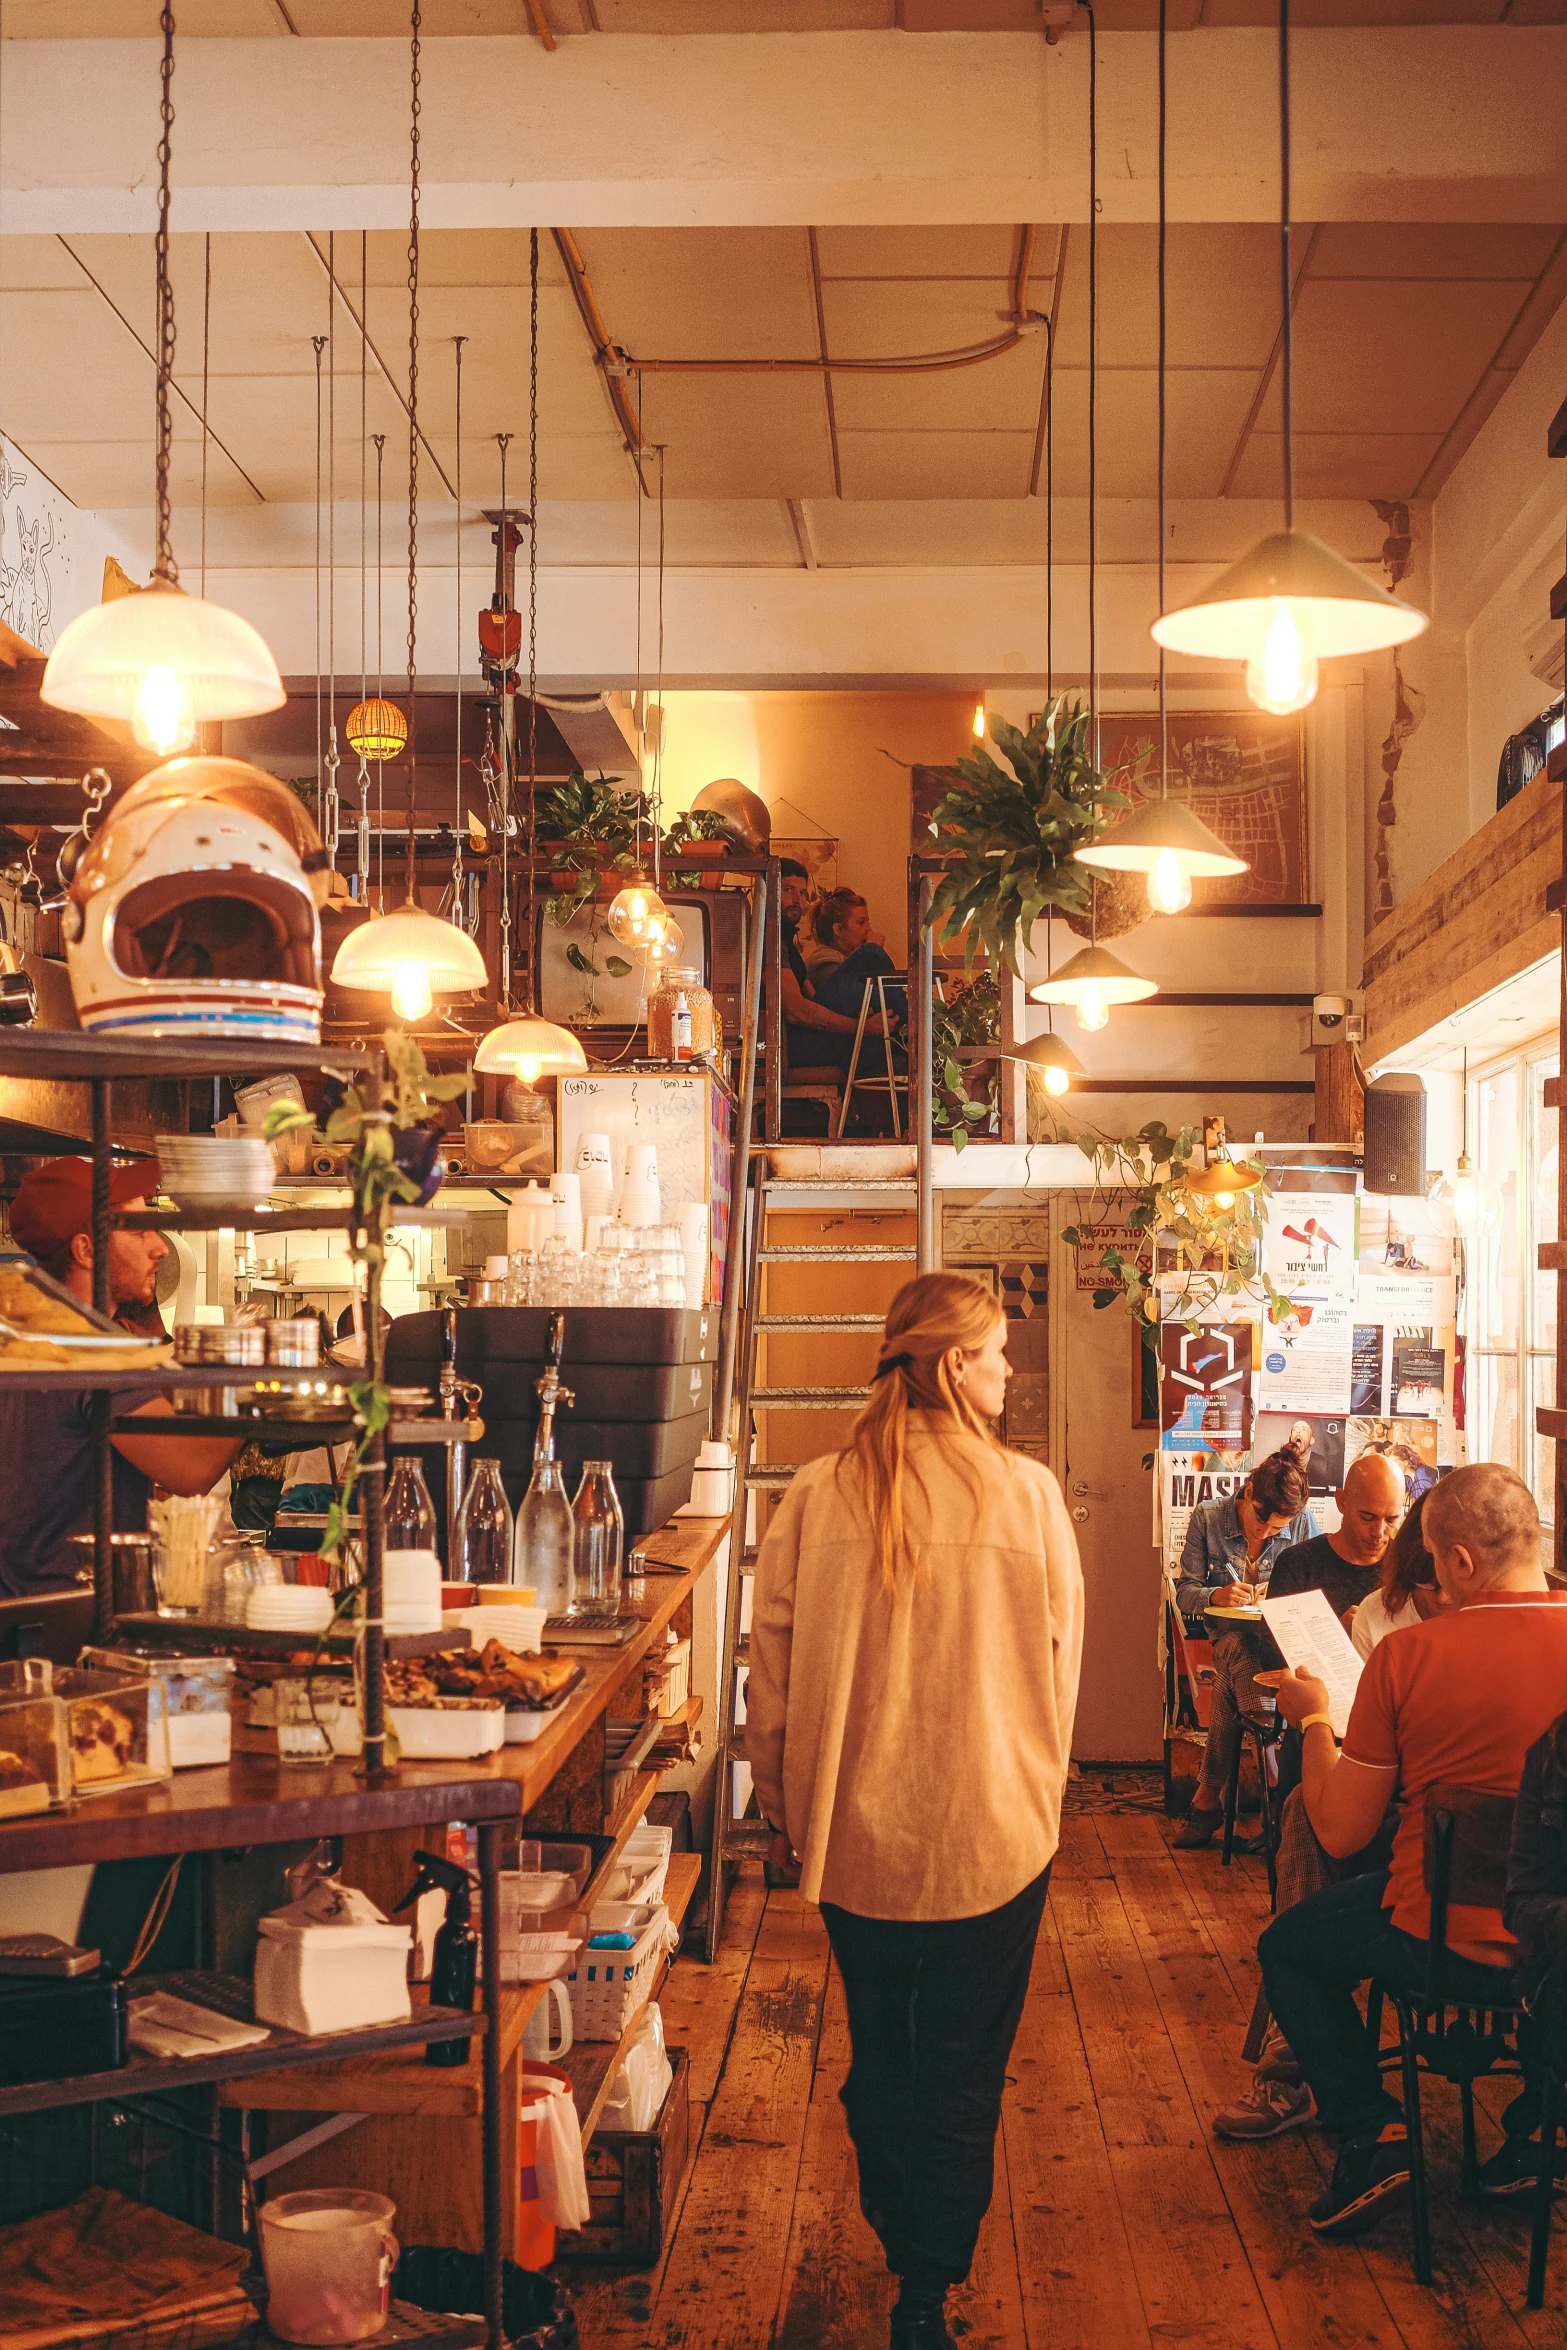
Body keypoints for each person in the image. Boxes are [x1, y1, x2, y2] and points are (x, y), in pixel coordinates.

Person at [746, 1272, 1082, 2350]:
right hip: (996, 1828)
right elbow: (1060, 1668)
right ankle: (924, 2290)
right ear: (951, 1365)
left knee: (883, 2054)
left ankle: (901, 2224)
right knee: (963, 2067)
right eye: (993, 1353)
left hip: (856, 1836)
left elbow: (773, 1673)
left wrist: (778, 1800)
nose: (1007, 1369)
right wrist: (1041, 1785)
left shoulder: (816, 1492)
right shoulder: (1025, 1495)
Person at [1256, 1463, 1567, 2239]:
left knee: (1289, 1950)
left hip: (1441, 1939)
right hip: (1556, 1945)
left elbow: (1340, 1832)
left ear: (1459, 1562)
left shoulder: (1408, 1657)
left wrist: (1314, 1719)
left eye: (1429, 1557)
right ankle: (1539, 2128)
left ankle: (1375, 2134)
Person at [0, 1157, 240, 1596]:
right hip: (72, 1616)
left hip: (20, 1612)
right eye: (138, 1229)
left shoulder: (23, 1333)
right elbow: (192, 1471)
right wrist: (259, 1380)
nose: (160, 1247)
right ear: (86, 1250)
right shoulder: (91, 1352)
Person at [1172, 1445, 1318, 1850]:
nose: (1263, 1532)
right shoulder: (1209, 1517)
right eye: (1259, 1518)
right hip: (1227, 1637)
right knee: (1236, 1647)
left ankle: (1207, 1802)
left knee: (1228, 1689)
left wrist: (1285, 1591)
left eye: (1277, 1529)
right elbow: (1184, 1592)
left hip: (1282, 1646)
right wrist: (1216, 1595)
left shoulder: (1304, 1521)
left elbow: (1319, 1591)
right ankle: (1276, 1794)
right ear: (1248, 1488)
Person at [774, 859, 864, 1073]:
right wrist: (864, 1028)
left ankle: (906, 1031)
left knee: (889, 1049)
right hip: (790, 1045)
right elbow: (795, 1010)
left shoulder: (787, 942)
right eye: (788, 890)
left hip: (804, 1038)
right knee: (871, 953)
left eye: (803, 893)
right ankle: (912, 1029)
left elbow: (810, 995)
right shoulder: (770, 940)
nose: (798, 900)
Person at [1352, 1490, 1449, 1656]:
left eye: (1451, 1582)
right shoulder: (1374, 1613)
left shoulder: (1494, 1623)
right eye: (1425, 1580)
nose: (1442, 1597)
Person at [812, 889, 909, 1029]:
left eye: (868, 922)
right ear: (839, 930)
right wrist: (873, 948)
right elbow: (852, 1003)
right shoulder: (824, 959)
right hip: (828, 1039)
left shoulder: (844, 958)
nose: (868, 930)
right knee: (871, 951)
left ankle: (911, 1021)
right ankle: (912, 1023)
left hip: (848, 1036)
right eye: (861, 923)